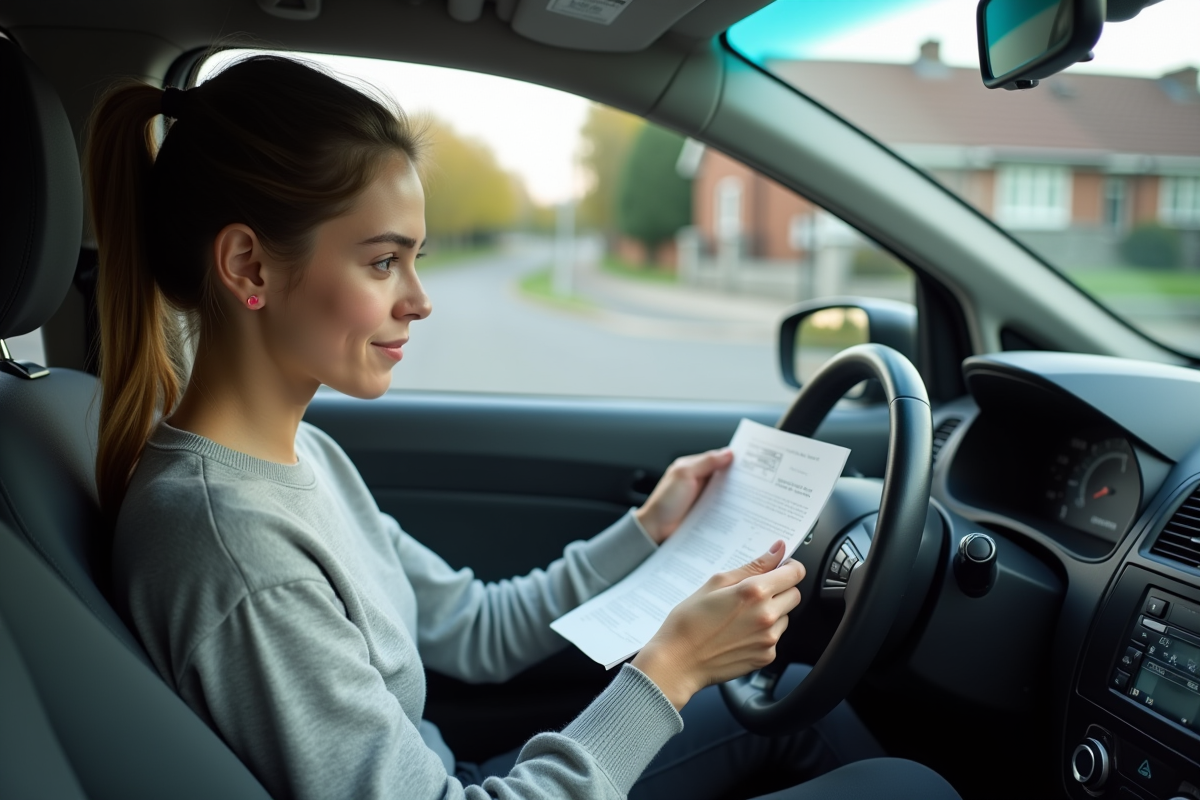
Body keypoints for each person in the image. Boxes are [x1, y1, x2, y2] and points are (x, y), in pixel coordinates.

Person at [90, 55, 960, 800]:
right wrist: (670, 671)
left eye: (416, 259)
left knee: (800, 706)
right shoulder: (232, 545)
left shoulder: (302, 454)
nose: (419, 300)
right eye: (383, 261)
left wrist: (646, 530)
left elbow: (475, 629)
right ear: (249, 266)